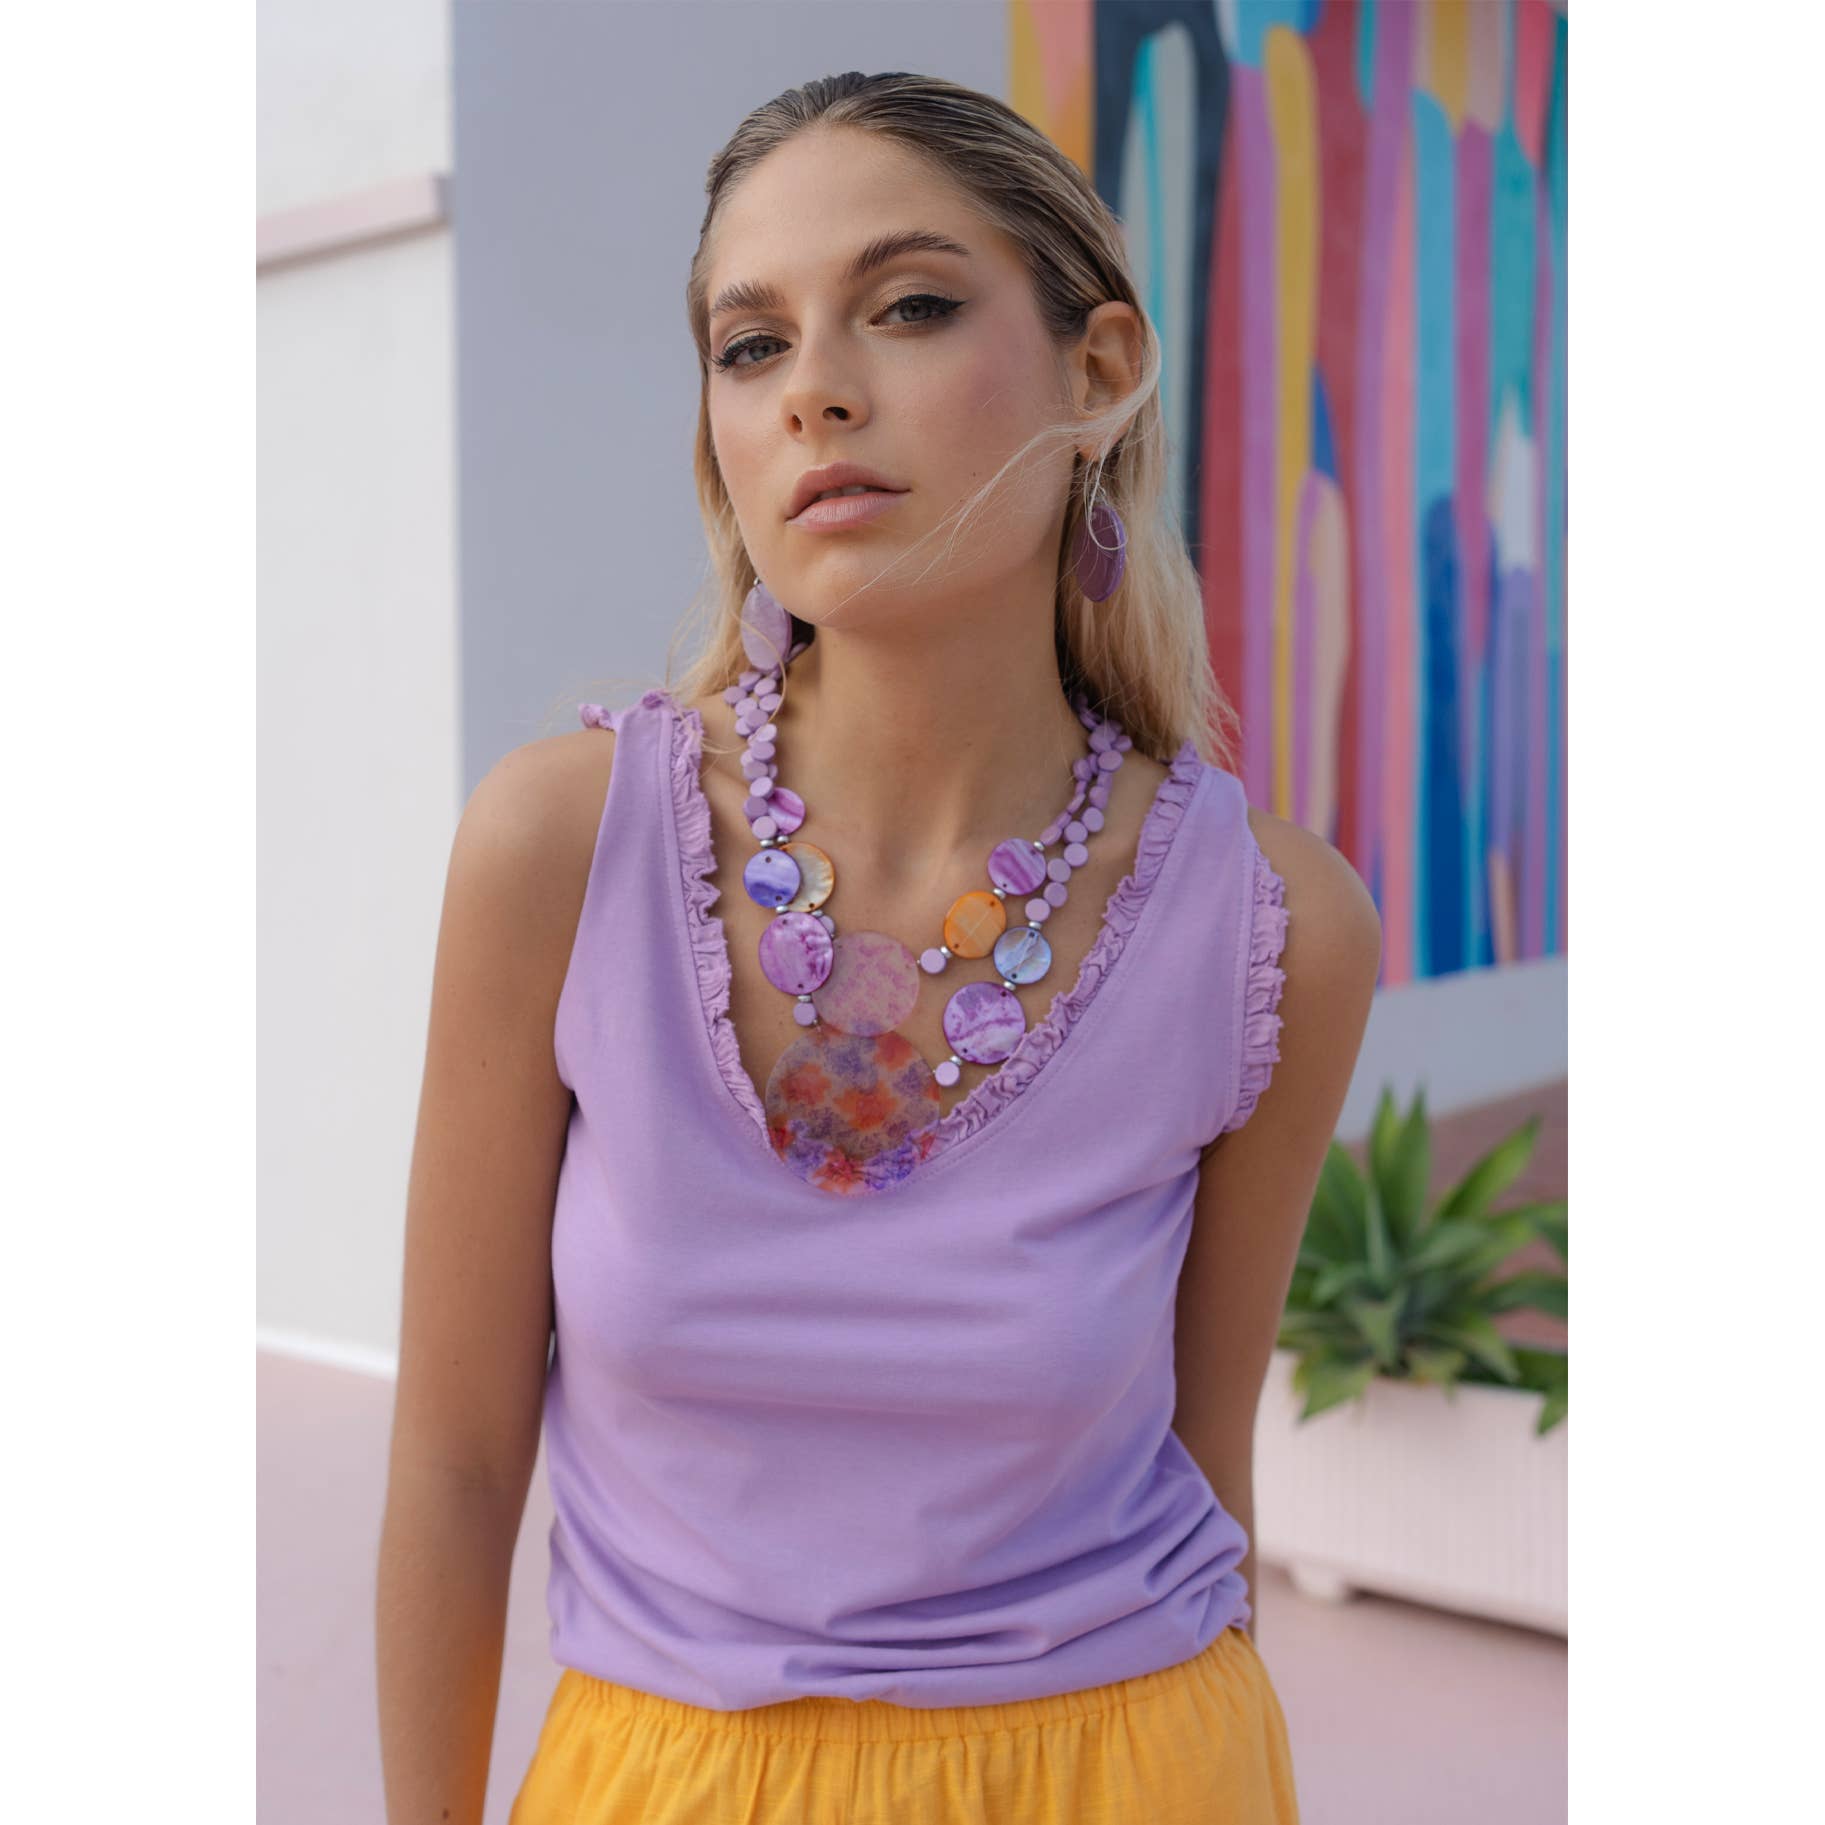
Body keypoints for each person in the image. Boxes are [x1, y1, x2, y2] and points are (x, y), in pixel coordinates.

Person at [378, 69, 1379, 1825]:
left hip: (1129, 1774)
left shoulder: (1272, 930)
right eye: (749, 344)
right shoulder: (558, 853)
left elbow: (1199, 1463)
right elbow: (457, 1463)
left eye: (908, 307)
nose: (814, 389)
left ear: (1098, 369)